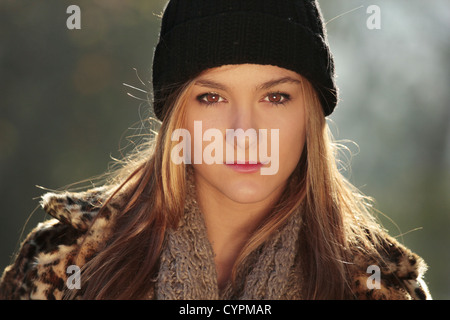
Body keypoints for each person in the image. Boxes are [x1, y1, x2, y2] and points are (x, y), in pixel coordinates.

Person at [0, 0, 431, 300]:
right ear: (177, 115)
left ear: (311, 116)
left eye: (276, 97)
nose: (244, 132)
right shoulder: (64, 263)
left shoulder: (379, 286)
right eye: (212, 97)